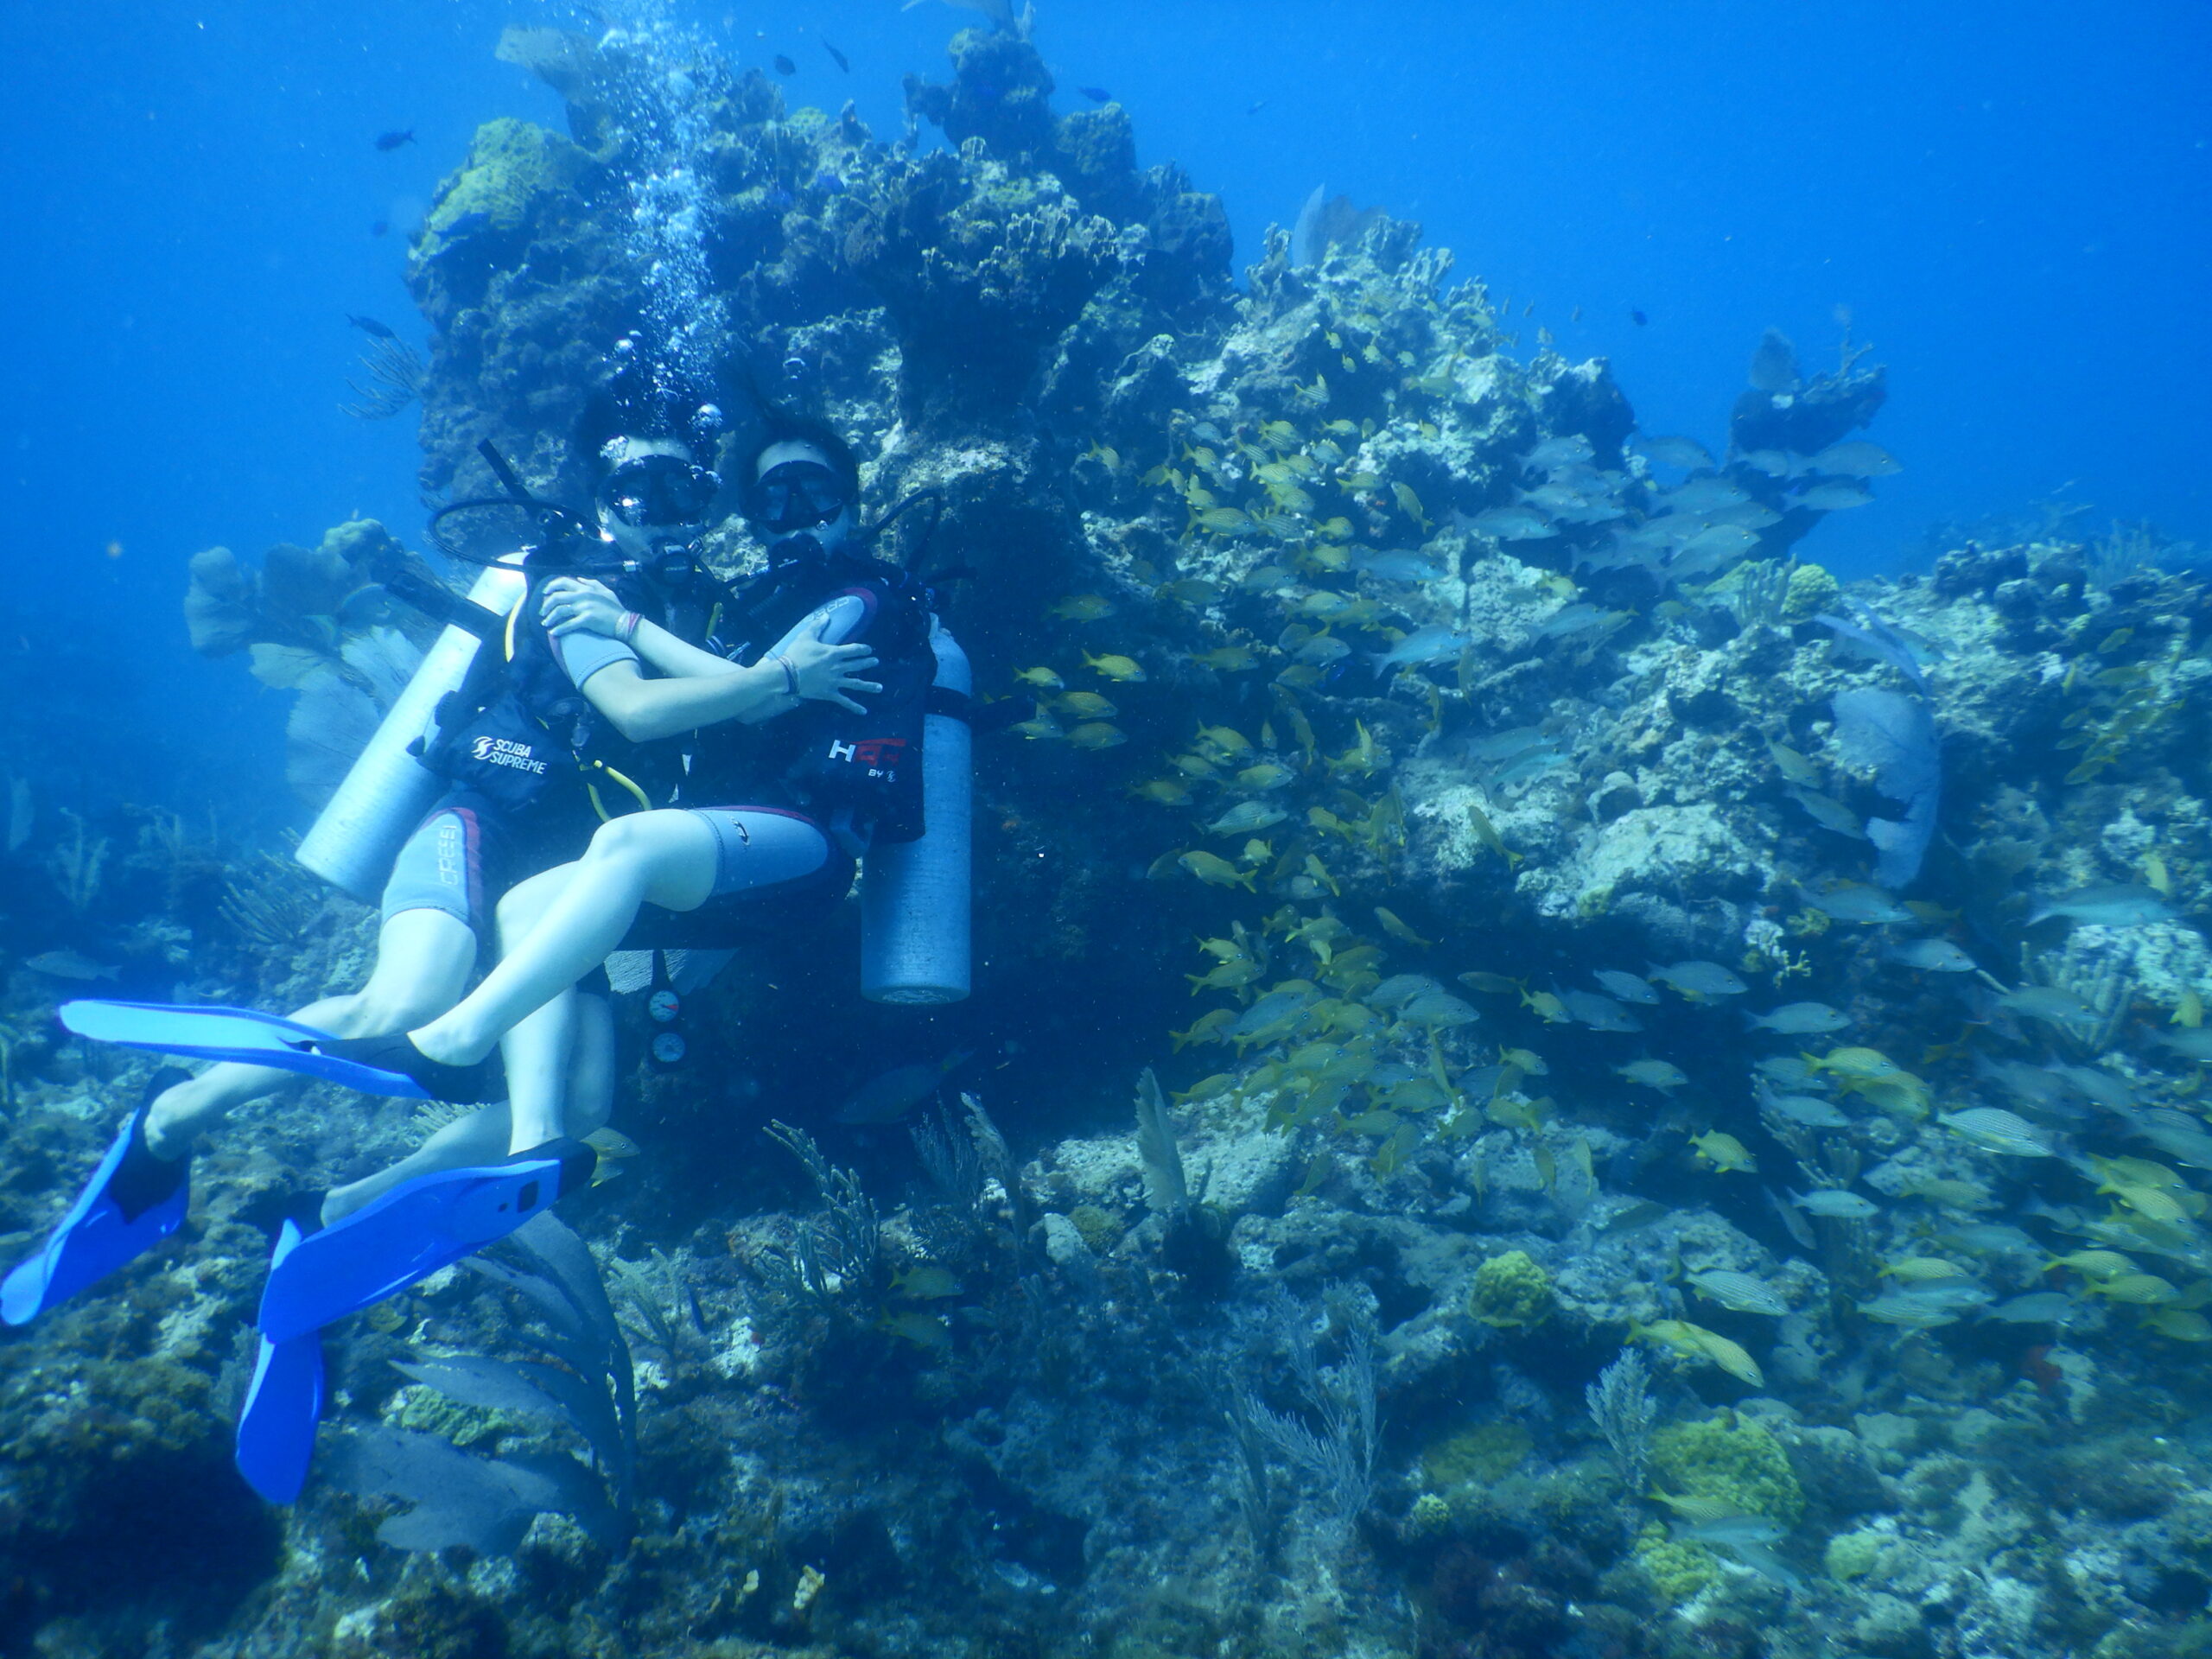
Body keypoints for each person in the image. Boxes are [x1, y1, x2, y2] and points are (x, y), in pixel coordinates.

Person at [3, 392, 879, 1332]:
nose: (661, 508)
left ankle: (334, 1215)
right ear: (599, 501)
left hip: (564, 882)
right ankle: (170, 1121)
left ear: (709, 502)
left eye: (683, 486)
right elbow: (633, 709)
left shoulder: (701, 608)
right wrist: (774, 679)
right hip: (479, 828)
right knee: (403, 1004)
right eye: (636, 487)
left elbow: (736, 716)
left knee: (577, 1107)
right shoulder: (574, 586)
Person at [230, 414, 941, 1341]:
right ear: (751, 513)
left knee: (626, 849)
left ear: (851, 504)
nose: (796, 512)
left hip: (808, 846)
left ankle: (455, 1039)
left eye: (816, 491)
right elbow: (744, 689)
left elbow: (767, 682)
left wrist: (628, 625)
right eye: (774, 496)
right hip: (742, 838)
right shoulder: (756, 596)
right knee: (532, 902)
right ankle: (358, 1203)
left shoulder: (856, 594)